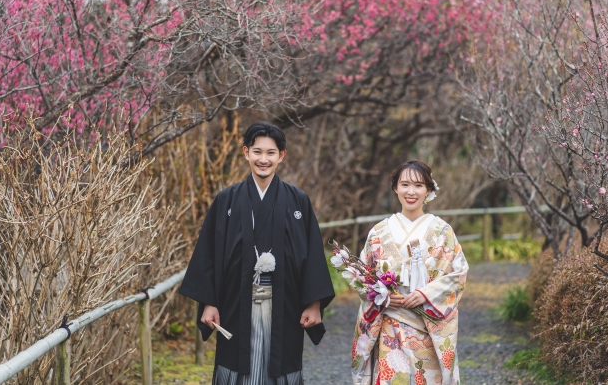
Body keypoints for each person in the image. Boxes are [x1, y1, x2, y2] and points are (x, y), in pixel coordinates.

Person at [180, 121, 335, 385]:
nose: (263, 159)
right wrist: (209, 302)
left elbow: (312, 254)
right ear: (246, 152)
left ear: (282, 156)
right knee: (235, 364)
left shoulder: (298, 201)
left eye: (271, 153)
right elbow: (209, 253)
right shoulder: (226, 200)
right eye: (257, 152)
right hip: (233, 302)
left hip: (284, 302)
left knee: (281, 363)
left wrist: (314, 303)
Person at [349, 160, 468, 385]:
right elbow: (362, 278)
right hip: (389, 327)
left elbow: (458, 275)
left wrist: (426, 294)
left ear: (429, 190)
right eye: (404, 185)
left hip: (427, 328)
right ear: (395, 188)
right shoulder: (378, 232)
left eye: (419, 185)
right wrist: (381, 297)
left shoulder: (442, 231)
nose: (411, 192)